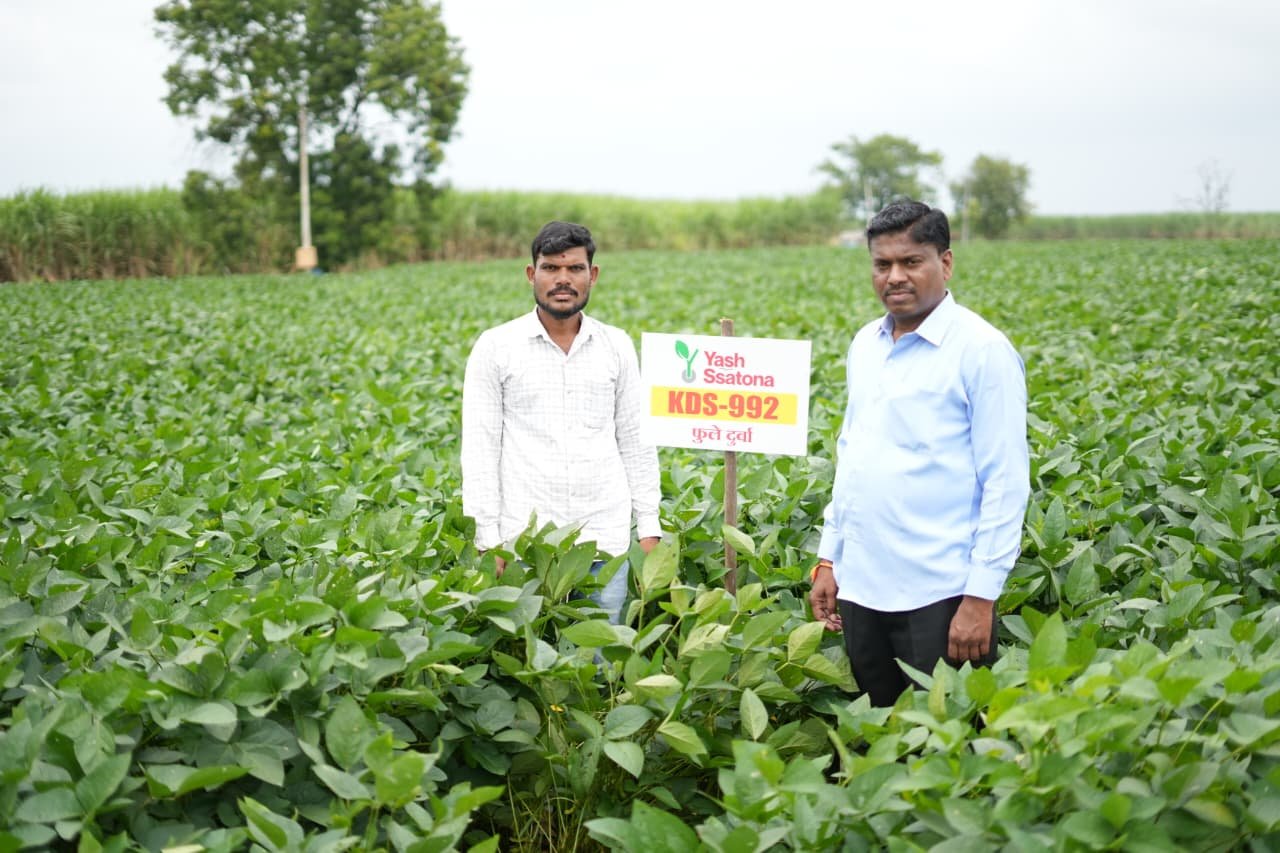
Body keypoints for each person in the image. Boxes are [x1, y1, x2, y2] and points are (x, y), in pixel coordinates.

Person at [809, 200, 1030, 707]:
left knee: (944, 750)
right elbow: (854, 455)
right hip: (863, 588)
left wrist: (980, 597)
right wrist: (829, 556)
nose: (895, 277)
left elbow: (1006, 481)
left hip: (941, 593)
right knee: (878, 735)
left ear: (945, 263)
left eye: (911, 262)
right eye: (882, 264)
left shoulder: (982, 350)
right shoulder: (866, 343)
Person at [461, 220, 661, 624]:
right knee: (529, 667)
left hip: (602, 539)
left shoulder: (616, 345)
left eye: (574, 268)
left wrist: (650, 527)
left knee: (599, 665)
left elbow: (636, 440)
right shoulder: (496, 347)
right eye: (551, 268)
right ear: (532, 274)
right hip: (524, 544)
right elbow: (480, 449)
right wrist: (488, 539)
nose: (563, 279)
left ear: (593, 275)